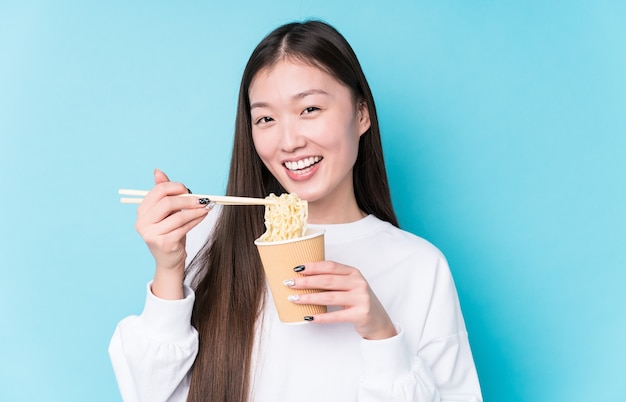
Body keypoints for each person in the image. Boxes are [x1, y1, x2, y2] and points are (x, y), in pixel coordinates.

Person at [109, 20, 482, 402]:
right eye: (266, 119)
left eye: (310, 108)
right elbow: (148, 394)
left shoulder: (419, 267)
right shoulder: (211, 237)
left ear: (362, 115)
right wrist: (169, 269)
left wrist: (381, 333)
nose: (289, 141)